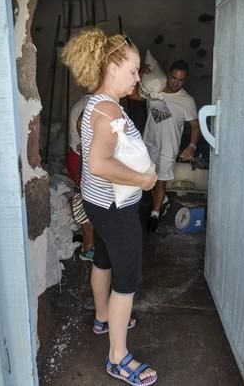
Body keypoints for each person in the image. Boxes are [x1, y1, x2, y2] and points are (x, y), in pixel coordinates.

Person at [61, 28, 159, 386]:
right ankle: (118, 358)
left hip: (99, 202)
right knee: (127, 278)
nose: (137, 77)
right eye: (133, 69)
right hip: (115, 208)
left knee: (103, 258)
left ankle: (103, 318)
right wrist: (145, 182)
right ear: (111, 66)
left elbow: (93, 165)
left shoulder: (95, 104)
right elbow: (100, 163)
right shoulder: (106, 110)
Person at [142, 60, 200, 233]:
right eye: (173, 77)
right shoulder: (154, 89)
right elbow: (132, 95)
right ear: (168, 74)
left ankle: (154, 215)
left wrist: (192, 146)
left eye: (181, 80)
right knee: (147, 180)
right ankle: (163, 200)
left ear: (185, 80)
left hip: (168, 148)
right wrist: (139, 75)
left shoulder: (187, 101)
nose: (176, 82)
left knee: (160, 183)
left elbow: (195, 127)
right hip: (149, 143)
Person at [66, 94, 94, 262]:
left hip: (77, 157)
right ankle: (88, 248)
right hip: (81, 159)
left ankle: (89, 244)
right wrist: (86, 143)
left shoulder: (85, 99)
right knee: (87, 205)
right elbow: (81, 122)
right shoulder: (93, 102)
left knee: (88, 203)